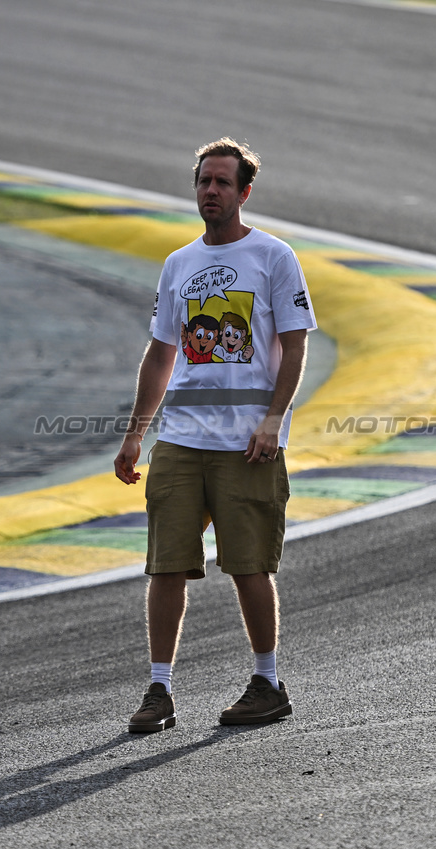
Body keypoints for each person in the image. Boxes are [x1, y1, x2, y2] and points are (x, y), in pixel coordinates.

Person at [114, 137, 317, 732]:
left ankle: (267, 680)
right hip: (180, 438)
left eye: (223, 183)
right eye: (204, 181)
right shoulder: (178, 264)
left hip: (246, 441)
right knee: (165, 566)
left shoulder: (274, 257)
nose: (211, 191)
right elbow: (160, 354)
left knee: (249, 564)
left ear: (243, 192)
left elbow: (297, 344)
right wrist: (135, 436)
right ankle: (158, 691)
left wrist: (274, 419)